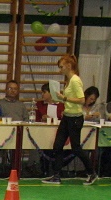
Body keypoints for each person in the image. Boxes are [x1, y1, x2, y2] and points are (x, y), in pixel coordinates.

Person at [41, 54, 97, 185]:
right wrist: (60, 98)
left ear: (69, 66)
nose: (60, 70)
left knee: (76, 148)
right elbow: (70, 100)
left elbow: (81, 100)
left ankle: (91, 172)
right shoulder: (68, 81)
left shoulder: (75, 80)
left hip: (75, 118)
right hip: (67, 116)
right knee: (58, 145)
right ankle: (56, 175)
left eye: (61, 67)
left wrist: (64, 98)